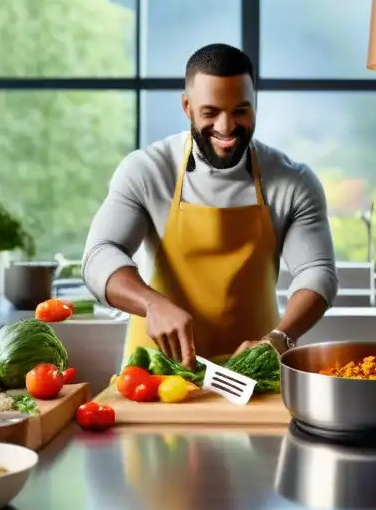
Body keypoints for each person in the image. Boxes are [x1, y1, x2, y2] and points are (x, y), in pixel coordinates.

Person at [82, 43, 338, 368]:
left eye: (240, 111)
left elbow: (317, 272)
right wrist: (151, 303)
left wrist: (281, 337)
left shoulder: (293, 180)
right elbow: (99, 254)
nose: (226, 127)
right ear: (187, 107)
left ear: (255, 105)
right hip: (156, 375)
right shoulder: (147, 170)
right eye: (210, 112)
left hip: (255, 373)